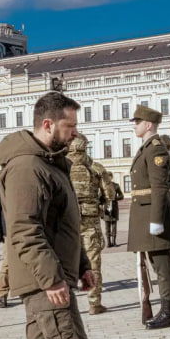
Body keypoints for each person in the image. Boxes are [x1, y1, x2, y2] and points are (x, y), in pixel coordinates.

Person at [0, 91, 121, 339]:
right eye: (69, 127)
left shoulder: (52, 163)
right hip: (42, 282)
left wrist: (81, 264)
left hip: (54, 276)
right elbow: (25, 230)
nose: (75, 135)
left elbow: (64, 223)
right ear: (47, 124)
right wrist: (53, 278)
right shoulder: (26, 168)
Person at [127, 105, 170, 329]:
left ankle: (168, 312)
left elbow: (159, 188)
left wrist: (157, 220)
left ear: (148, 125)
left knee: (162, 265)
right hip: (145, 214)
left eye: (137, 122)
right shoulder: (146, 148)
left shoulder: (156, 150)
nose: (135, 126)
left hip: (153, 215)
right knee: (154, 264)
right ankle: (164, 310)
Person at [67, 133, 109, 315]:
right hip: (90, 221)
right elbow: (110, 194)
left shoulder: (60, 167)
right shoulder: (96, 168)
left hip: (66, 221)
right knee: (93, 263)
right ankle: (94, 303)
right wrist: (99, 203)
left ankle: (66, 304)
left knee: (65, 263)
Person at [101, 171, 123, 247]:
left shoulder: (116, 186)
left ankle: (114, 242)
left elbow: (121, 196)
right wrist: (104, 201)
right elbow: (100, 197)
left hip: (114, 208)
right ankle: (108, 242)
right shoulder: (103, 186)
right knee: (107, 226)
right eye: (107, 176)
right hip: (106, 208)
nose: (108, 178)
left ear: (111, 177)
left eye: (109, 176)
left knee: (114, 225)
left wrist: (114, 198)